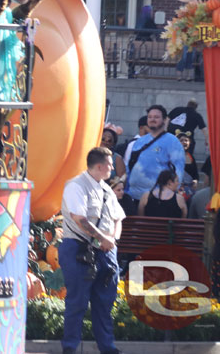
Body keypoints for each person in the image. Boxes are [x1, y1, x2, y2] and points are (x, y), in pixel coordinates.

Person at [59, 147, 124, 354]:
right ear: (99, 165)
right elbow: (80, 219)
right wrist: (102, 238)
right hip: (79, 249)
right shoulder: (76, 186)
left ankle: (108, 349)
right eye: (110, 164)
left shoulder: (106, 190)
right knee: (77, 303)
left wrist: (112, 239)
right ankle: (70, 349)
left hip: (106, 253)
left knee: (104, 304)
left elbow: (118, 218)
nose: (113, 167)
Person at [124, 105, 184, 201]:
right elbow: (128, 168)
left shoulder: (173, 142)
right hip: (133, 196)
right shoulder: (139, 141)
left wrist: (169, 195)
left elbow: (178, 171)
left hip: (157, 198)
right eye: (150, 117)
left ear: (164, 120)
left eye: (156, 117)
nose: (152, 119)